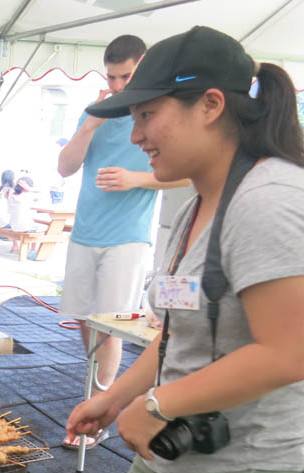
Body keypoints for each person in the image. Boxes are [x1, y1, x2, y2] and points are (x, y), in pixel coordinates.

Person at [65, 26, 304, 473]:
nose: (137, 133)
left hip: (242, 461)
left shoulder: (269, 199)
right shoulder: (194, 202)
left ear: (209, 105)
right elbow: (176, 339)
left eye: (147, 113)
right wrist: (116, 397)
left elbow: (293, 352)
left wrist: (158, 405)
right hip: (178, 449)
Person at [57, 34, 190, 449]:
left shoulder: (160, 113)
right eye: (111, 77)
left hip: (129, 238)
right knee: (84, 318)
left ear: (144, 66)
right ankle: (100, 392)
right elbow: (64, 167)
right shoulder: (97, 110)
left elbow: (187, 172)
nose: (116, 86)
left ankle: (102, 405)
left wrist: (137, 179)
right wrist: (92, 123)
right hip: (85, 232)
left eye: (125, 76)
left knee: (111, 325)